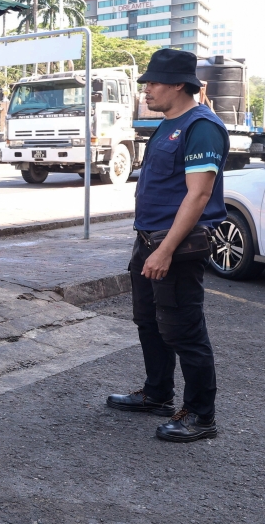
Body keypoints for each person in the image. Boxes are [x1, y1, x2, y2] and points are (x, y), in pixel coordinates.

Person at [107, 49, 228, 442]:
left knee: (184, 331)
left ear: (179, 84)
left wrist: (164, 250)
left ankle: (200, 415)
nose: (146, 90)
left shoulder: (201, 126)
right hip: (148, 242)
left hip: (173, 248)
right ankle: (157, 394)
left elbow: (198, 195)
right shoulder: (167, 123)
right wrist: (148, 247)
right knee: (149, 323)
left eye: (154, 83)